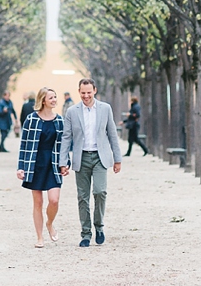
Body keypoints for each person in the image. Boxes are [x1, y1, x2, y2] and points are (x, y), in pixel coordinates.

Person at [59, 78, 122, 247]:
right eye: (83, 93)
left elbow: (112, 134)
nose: (86, 96)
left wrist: (118, 159)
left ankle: (99, 227)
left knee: (100, 192)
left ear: (95, 90)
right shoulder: (72, 111)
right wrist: (62, 161)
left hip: (100, 157)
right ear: (79, 92)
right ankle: (86, 233)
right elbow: (66, 138)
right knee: (83, 197)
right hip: (81, 158)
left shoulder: (105, 109)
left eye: (88, 92)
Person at [17, 87, 64, 247]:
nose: (54, 100)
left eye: (55, 97)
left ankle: (49, 223)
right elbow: (23, 144)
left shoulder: (60, 121)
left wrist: (66, 164)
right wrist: (21, 166)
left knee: (54, 200)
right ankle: (39, 238)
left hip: (53, 164)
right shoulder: (31, 119)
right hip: (35, 164)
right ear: (43, 100)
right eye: (51, 97)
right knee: (37, 202)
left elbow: (65, 145)